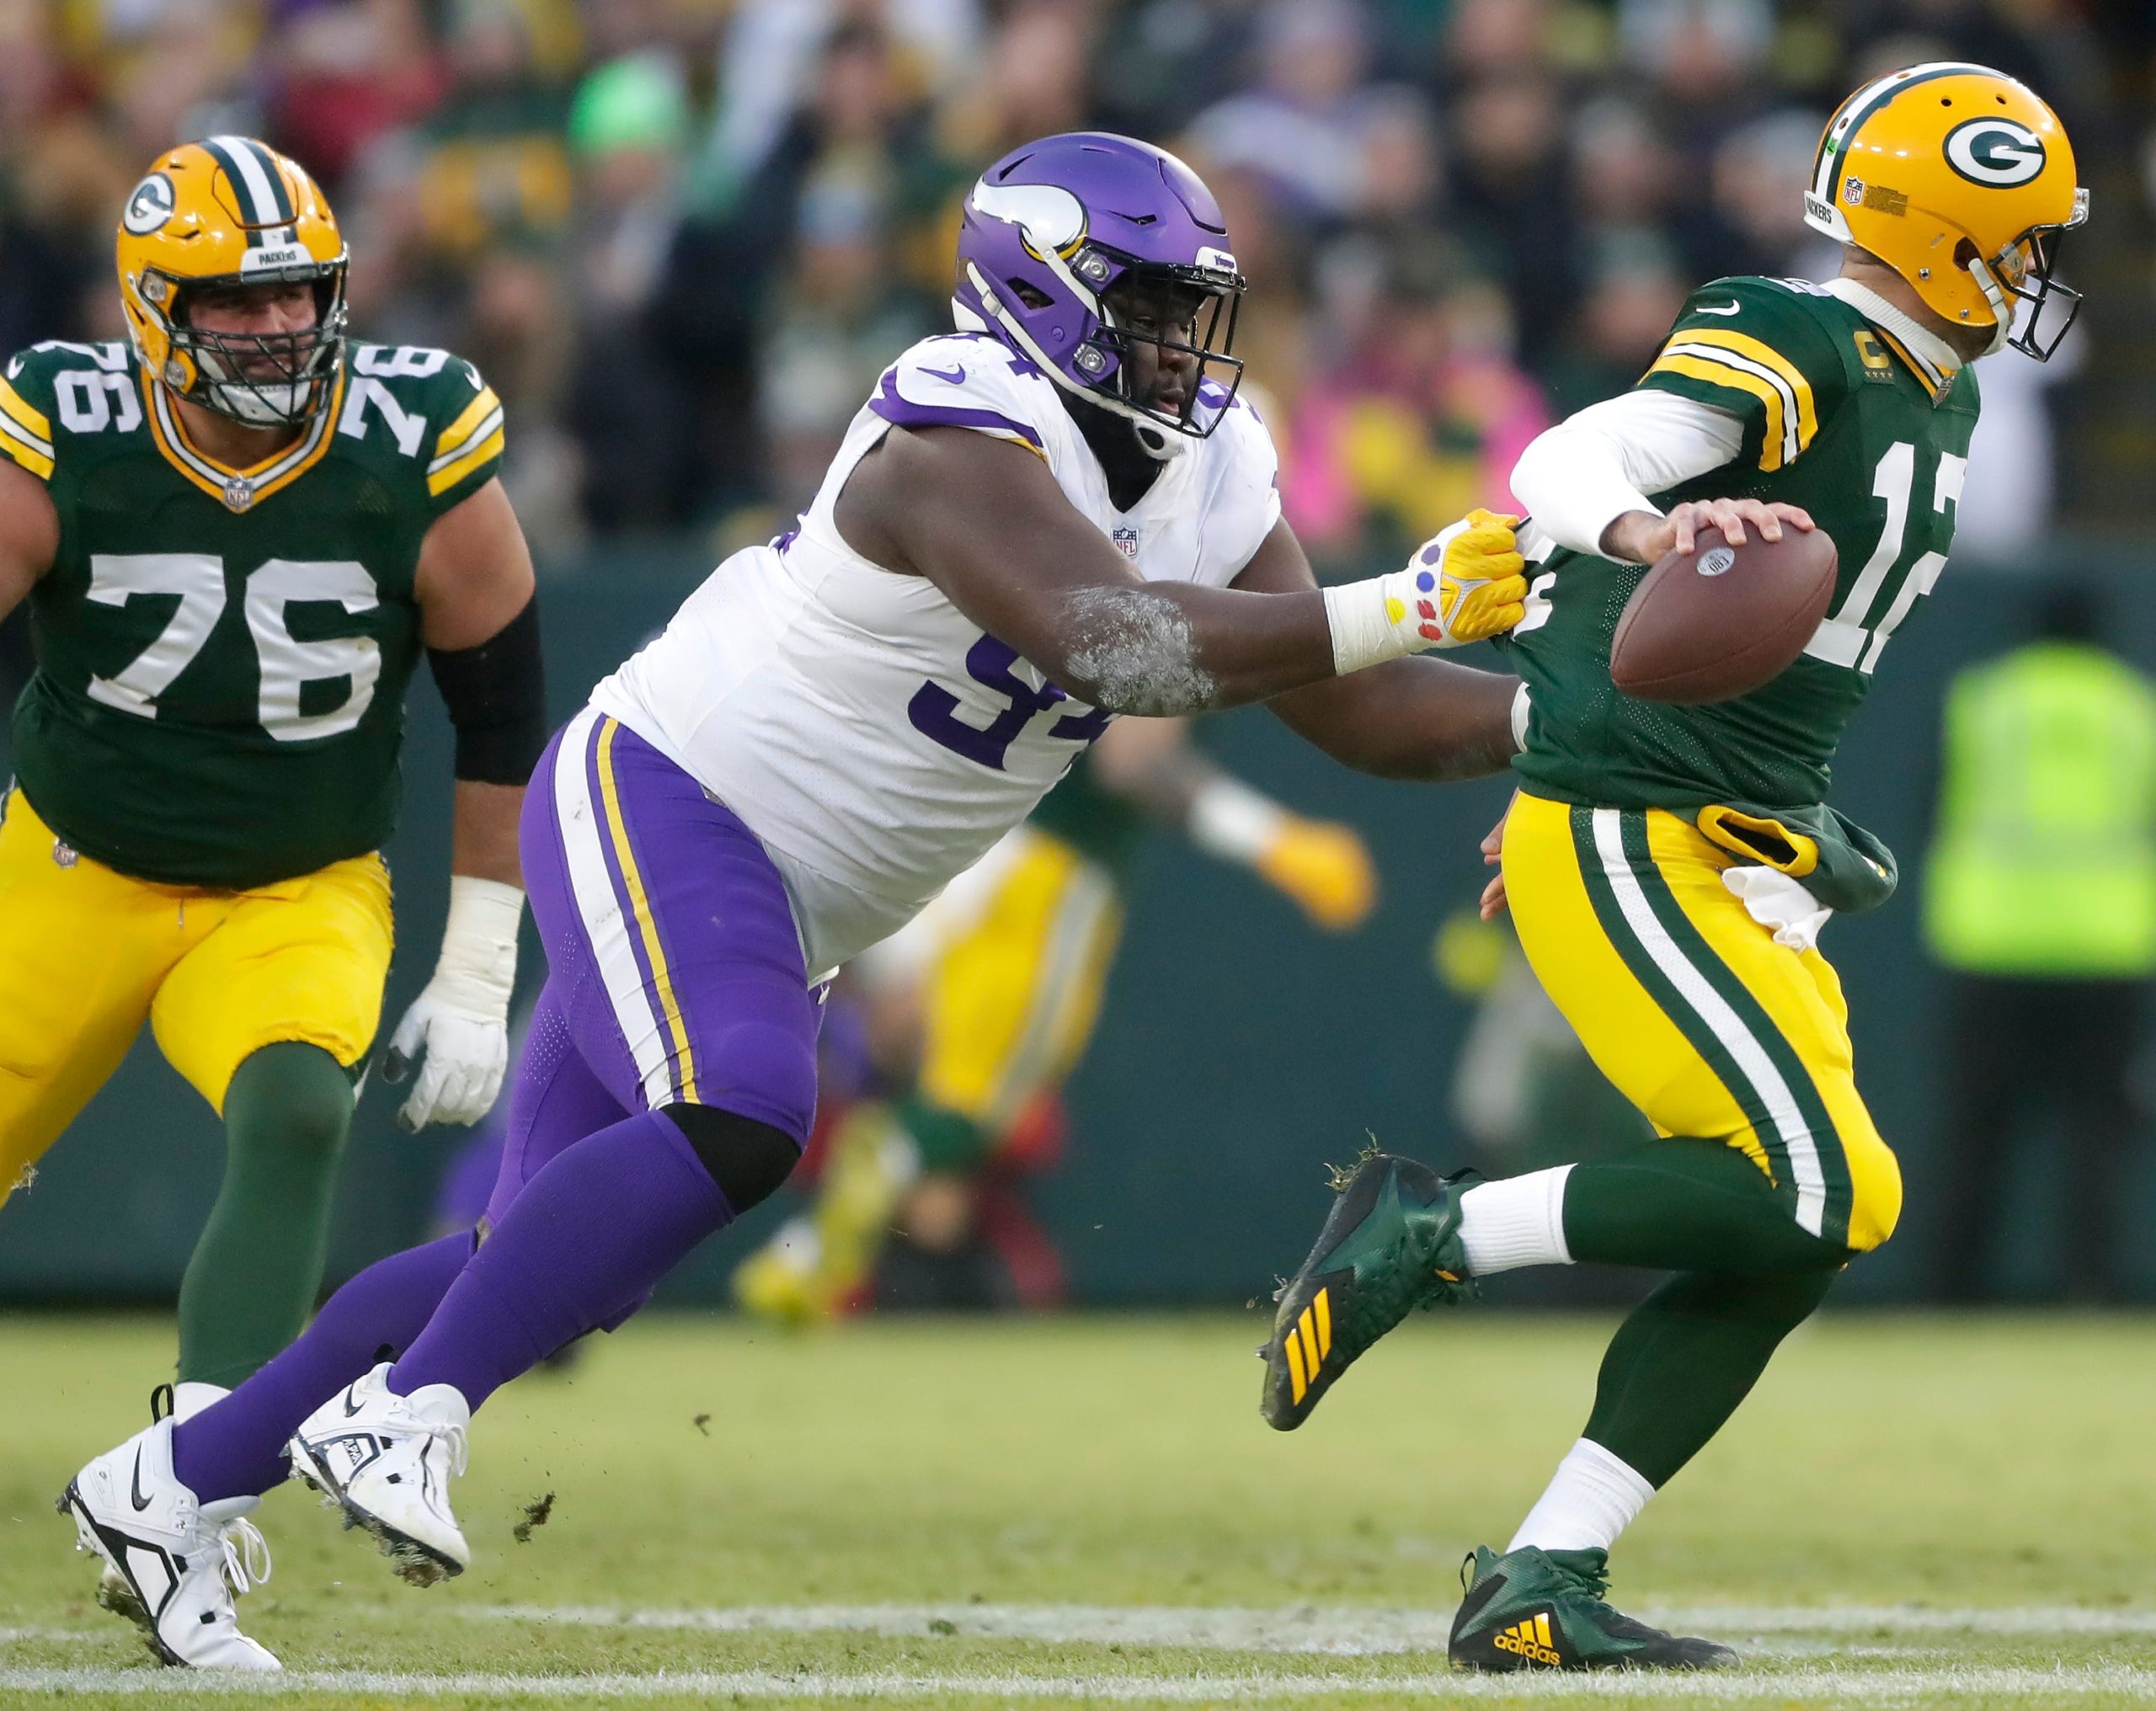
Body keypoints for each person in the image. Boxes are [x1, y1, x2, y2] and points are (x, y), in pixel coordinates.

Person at [60, 131, 1529, 1671]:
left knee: (536, 1257)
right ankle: (410, 1409)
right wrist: (1405, 597)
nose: (1179, 342)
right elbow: (1112, 645)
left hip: (786, 889)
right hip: (675, 793)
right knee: (747, 1113)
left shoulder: (1212, 459)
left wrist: (1556, 725)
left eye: (1192, 307)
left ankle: (168, 1486)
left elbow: (1363, 708)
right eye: (1147, 303)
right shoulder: (957, 423)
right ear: (1040, 290)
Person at [1257, 64, 2087, 1672]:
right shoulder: (1798, 337)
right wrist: (1646, 541)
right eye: (2022, 236)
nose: (2039, 269)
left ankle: (1543, 1573)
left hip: (1735, 833)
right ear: (1942, 229)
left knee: (1830, 1208)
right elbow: (1576, 458)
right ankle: (1430, 1227)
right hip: (1641, 824)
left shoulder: (1943, 390)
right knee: (1809, 1183)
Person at [0, 140, 538, 1445]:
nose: (279, 323)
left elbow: (502, 713)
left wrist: (478, 968)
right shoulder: (70, 426)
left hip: (298, 885)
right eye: (238, 300)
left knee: (299, 1111)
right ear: (153, 310)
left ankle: (199, 1474)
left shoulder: (413, 439)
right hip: (76, 866)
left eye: (299, 290)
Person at [734, 717, 1379, 1321]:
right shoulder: (1175, 623)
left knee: (938, 1083)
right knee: (974, 1109)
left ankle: (811, 1254)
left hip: (966, 846)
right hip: (1045, 876)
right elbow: (1131, 762)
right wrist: (1271, 839)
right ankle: (810, 1255)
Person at [1921, 586, 2156, 1303]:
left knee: (1978, 1129)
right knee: (2098, 1134)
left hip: (1991, 938)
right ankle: (2089, 1286)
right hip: (2106, 944)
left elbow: (1933, 804)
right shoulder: (2134, 708)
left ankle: (1952, 1290)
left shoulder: (1985, 701)